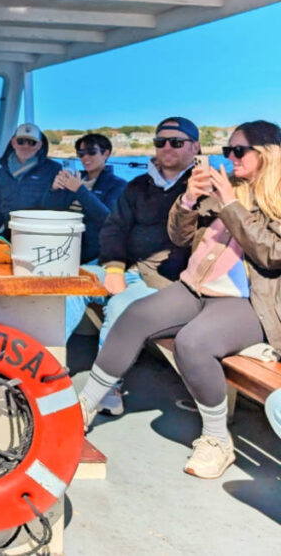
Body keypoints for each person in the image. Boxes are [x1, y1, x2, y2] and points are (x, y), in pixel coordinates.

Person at [77, 120, 281, 479]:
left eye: (239, 151)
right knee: (135, 315)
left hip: (246, 304)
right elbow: (179, 236)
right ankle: (84, 407)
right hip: (195, 288)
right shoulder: (225, 187)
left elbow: (271, 254)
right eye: (227, 150)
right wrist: (187, 200)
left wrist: (231, 205)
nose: (230, 158)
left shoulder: (273, 197)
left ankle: (217, 440)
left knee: (193, 343)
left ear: (267, 154)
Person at [86, 117, 200, 414]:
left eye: (176, 142)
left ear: (195, 147)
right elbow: (114, 228)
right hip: (126, 269)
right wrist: (113, 268)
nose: (166, 147)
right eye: (160, 141)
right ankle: (48, 371)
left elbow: (194, 245)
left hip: (164, 283)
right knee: (70, 282)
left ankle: (107, 391)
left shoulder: (203, 189)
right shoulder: (139, 185)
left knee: (121, 305)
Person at [43, 133, 127, 341]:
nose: (85, 158)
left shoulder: (118, 186)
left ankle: (54, 344)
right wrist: (54, 190)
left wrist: (80, 191)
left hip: (95, 255)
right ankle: (39, 338)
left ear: (106, 153)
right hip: (66, 252)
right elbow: (49, 211)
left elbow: (107, 219)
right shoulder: (75, 180)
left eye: (91, 152)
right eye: (81, 153)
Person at [0, 122, 61, 238]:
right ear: (13, 143)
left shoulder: (54, 169)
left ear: (39, 145)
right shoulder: (1, 173)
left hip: (39, 233)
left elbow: (59, 205)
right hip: (8, 234)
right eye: (21, 141)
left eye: (31, 143)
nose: (26, 146)